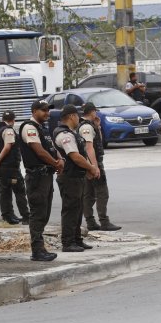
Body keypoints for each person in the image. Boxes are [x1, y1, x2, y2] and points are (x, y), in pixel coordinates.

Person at [16, 100, 63, 262]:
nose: (47, 113)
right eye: (43, 111)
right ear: (34, 111)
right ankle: (37, 250)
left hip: (45, 175)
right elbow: (39, 151)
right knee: (37, 213)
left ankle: (40, 247)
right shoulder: (29, 127)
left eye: (47, 110)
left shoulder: (41, 128)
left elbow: (49, 147)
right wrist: (55, 163)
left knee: (45, 212)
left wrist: (59, 158)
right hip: (36, 176)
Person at [52, 105, 99, 253]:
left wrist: (86, 171)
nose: (79, 118)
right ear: (72, 116)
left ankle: (77, 239)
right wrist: (91, 168)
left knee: (77, 210)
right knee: (70, 210)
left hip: (76, 176)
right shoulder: (65, 135)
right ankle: (68, 242)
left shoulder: (71, 133)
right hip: (69, 177)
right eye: (77, 116)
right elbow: (75, 156)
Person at [80, 102, 121, 232]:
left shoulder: (89, 126)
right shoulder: (86, 127)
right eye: (95, 112)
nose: (96, 114)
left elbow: (99, 142)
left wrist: (98, 126)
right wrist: (95, 166)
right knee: (102, 192)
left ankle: (91, 221)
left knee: (89, 194)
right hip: (93, 163)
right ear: (91, 112)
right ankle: (104, 221)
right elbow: (89, 147)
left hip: (87, 164)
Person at [0, 111, 29, 225]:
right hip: (10, 167)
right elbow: (8, 147)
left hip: (2, 167)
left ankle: (7, 215)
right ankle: (26, 216)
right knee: (19, 191)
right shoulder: (8, 130)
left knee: (5, 191)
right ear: (13, 120)